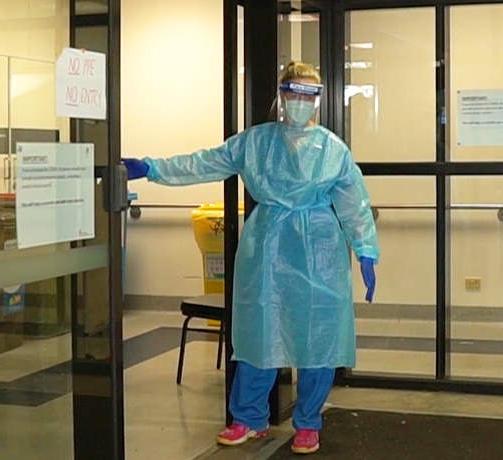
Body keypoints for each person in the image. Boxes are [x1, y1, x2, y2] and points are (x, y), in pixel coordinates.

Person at [122, 61, 379, 455]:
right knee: (260, 329)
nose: (299, 102)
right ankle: (248, 417)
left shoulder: (332, 149)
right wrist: (153, 168)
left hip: (320, 251)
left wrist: (365, 249)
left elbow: (354, 203)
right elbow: (204, 162)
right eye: (293, 92)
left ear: (318, 100)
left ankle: (308, 422)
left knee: (319, 334)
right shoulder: (254, 142)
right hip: (268, 245)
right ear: (281, 94)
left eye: (308, 95)